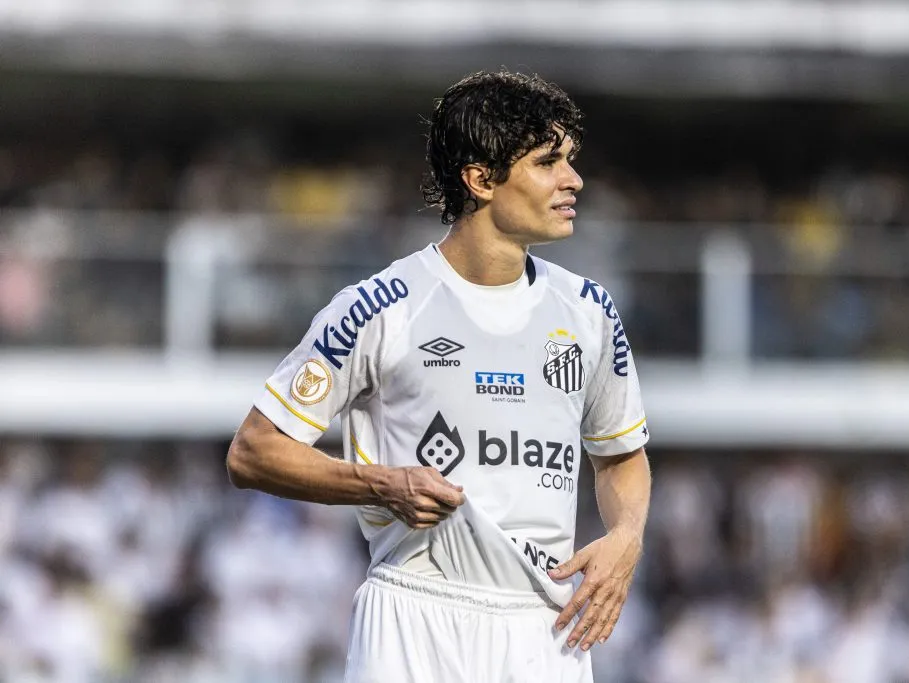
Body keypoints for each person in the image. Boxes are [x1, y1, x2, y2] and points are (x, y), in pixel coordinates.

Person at [227, 70, 652, 683]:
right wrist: (379, 484)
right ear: (480, 179)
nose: (573, 180)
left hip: (544, 626)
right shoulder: (381, 306)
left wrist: (627, 537)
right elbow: (253, 451)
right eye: (547, 162)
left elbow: (619, 455)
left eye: (570, 160)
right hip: (415, 612)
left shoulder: (589, 311)